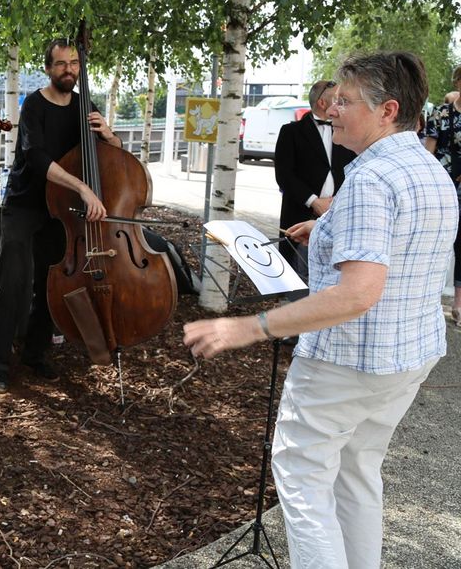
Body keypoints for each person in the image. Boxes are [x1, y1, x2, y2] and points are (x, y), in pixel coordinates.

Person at [184, 52, 456, 569]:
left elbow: (357, 294)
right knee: (357, 472)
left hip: (348, 361)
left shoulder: (371, 180)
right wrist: (327, 230)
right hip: (406, 358)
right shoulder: (425, 167)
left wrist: (248, 327)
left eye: (346, 101)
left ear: (387, 110)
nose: (331, 110)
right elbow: (402, 245)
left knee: (302, 479)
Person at [0, 38, 115, 393]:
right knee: (11, 283)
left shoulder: (85, 105)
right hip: (25, 203)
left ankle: (35, 354)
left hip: (61, 210)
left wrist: (109, 136)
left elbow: (109, 157)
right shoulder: (33, 106)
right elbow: (38, 159)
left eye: (74, 63)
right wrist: (83, 189)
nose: (69, 69)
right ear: (47, 68)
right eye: (61, 64)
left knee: (51, 284)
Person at [273, 79, 356, 282]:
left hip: (337, 211)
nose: (340, 105)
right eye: (337, 99)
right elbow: (284, 175)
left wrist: (336, 201)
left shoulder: (346, 131)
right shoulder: (291, 132)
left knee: (333, 272)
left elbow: (354, 167)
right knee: (295, 275)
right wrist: (314, 201)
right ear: (321, 102)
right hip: (299, 212)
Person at [425, 65, 461, 323]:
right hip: (440, 186)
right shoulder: (441, 113)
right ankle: (427, 299)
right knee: (433, 240)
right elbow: (428, 152)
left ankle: (459, 304)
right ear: (457, 82)